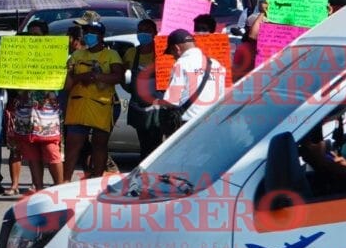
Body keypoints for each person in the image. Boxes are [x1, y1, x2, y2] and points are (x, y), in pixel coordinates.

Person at [62, 15, 123, 179]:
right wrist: (81, 77)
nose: (89, 35)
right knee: (73, 145)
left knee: (100, 145)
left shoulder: (111, 55)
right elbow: (67, 84)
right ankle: (65, 180)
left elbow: (119, 77)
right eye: (87, 32)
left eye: (93, 32)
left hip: (101, 106)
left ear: (101, 36)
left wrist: (98, 77)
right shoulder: (77, 56)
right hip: (78, 106)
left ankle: (97, 179)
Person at [5, 85, 65, 195]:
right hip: (25, 111)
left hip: (47, 111)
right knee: (31, 152)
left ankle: (60, 188)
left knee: (51, 150)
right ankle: (39, 189)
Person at [164, 26, 228, 126]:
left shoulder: (182, 64)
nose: (174, 57)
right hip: (212, 122)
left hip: (188, 125)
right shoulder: (216, 64)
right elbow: (221, 97)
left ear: (177, 48)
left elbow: (172, 100)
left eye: (172, 53)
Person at [127, 17, 170, 157]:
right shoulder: (131, 53)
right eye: (140, 31)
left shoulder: (163, 54)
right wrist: (132, 90)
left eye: (147, 31)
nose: (143, 33)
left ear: (155, 33)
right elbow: (123, 75)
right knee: (143, 142)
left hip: (157, 105)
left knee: (156, 142)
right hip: (138, 106)